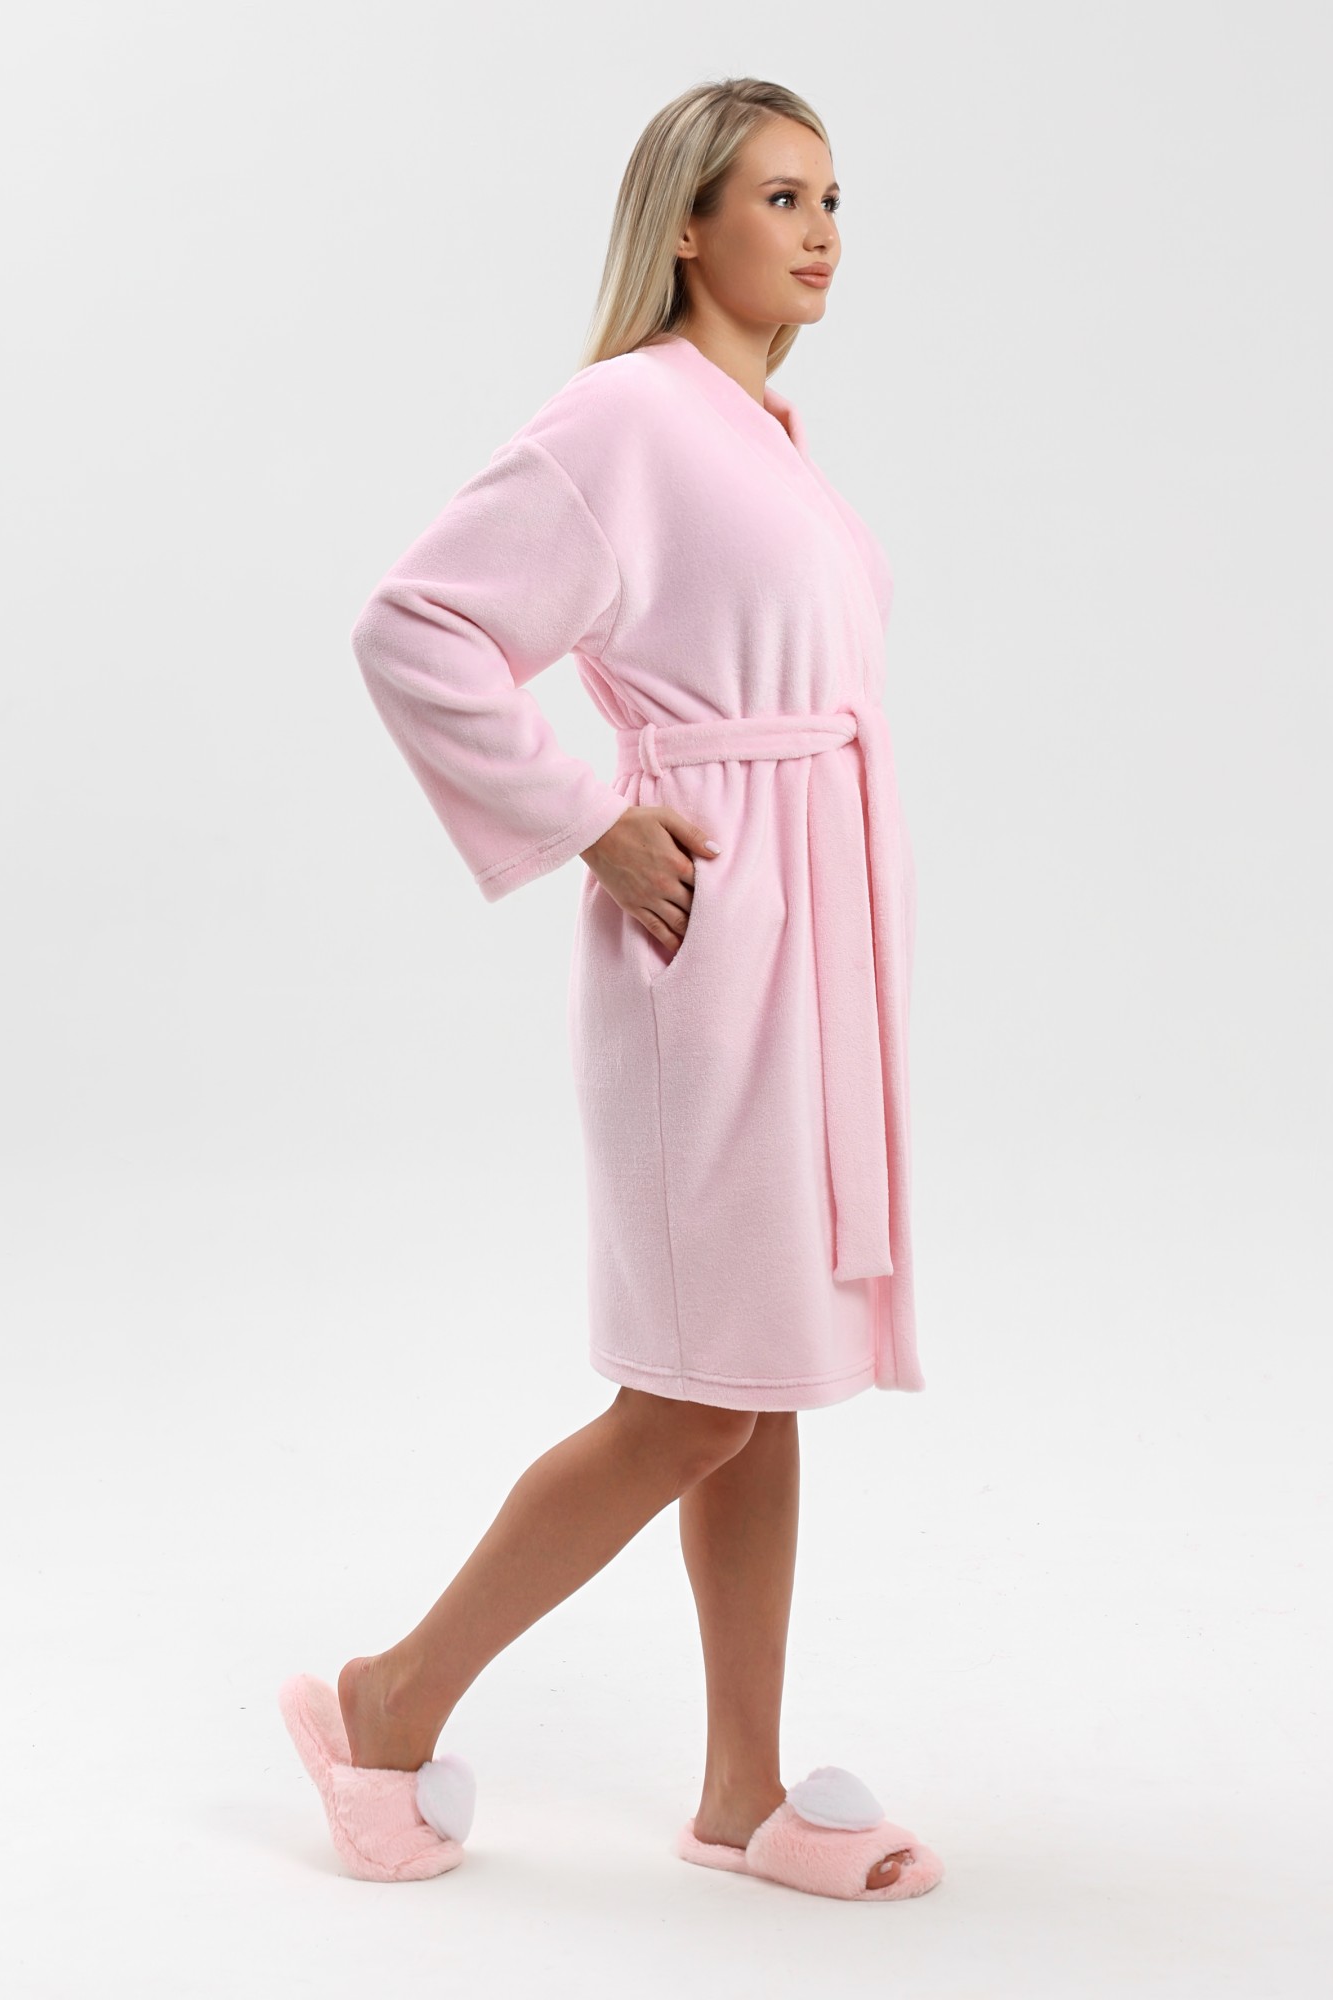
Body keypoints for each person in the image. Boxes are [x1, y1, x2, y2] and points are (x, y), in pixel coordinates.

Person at [278, 76, 942, 1904]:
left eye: (833, 197)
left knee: (759, 1375)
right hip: (709, 942)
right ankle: (387, 1702)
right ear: (687, 224)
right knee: (694, 1395)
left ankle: (741, 1793)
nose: (820, 230)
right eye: (780, 196)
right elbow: (415, 625)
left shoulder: (765, 431)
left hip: (806, 931)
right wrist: (594, 820)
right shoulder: (626, 415)